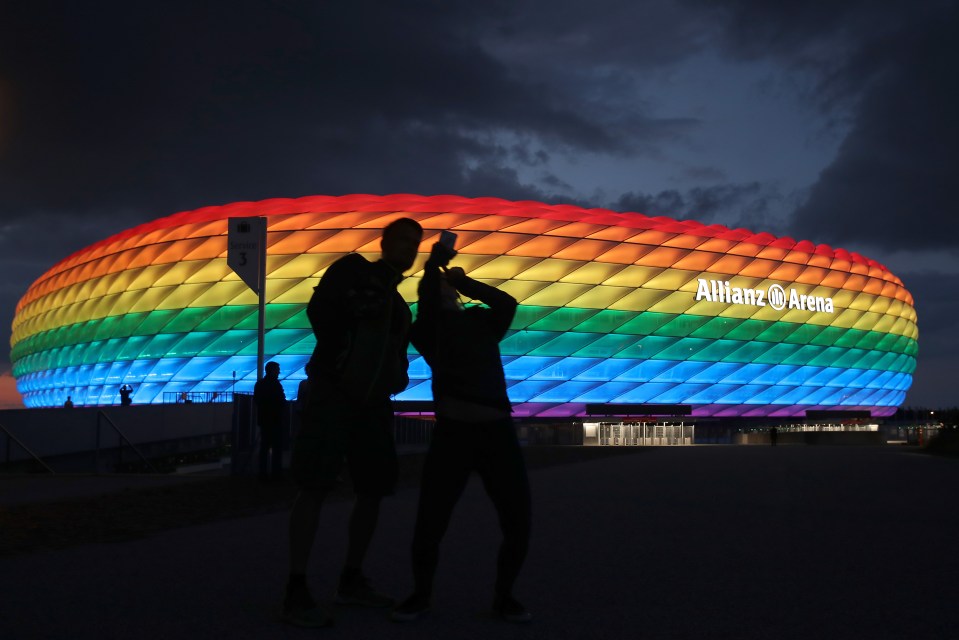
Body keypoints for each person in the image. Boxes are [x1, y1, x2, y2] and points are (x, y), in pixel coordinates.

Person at [282, 217, 423, 628]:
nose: (407, 249)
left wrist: (397, 374)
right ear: (384, 242)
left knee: (375, 488)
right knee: (314, 483)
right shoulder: (352, 269)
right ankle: (295, 587)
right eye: (401, 240)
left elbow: (396, 348)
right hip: (334, 392)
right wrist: (342, 353)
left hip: (374, 402)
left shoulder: (400, 304)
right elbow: (320, 311)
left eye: (414, 244)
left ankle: (351, 578)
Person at [391, 241, 532, 624]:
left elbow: (507, 305)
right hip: (454, 433)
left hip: (496, 430)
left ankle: (504, 597)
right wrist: (435, 266)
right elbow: (424, 294)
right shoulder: (427, 331)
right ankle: (420, 595)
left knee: (518, 520)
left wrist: (465, 282)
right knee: (431, 520)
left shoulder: (482, 321)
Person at [254, 361, 287, 481]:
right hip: (275, 421)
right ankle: (276, 474)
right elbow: (282, 401)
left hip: (264, 420)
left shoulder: (260, 384)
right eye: (277, 370)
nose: (279, 372)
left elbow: (257, 400)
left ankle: (262, 474)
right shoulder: (276, 384)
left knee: (264, 448)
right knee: (277, 448)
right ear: (272, 370)